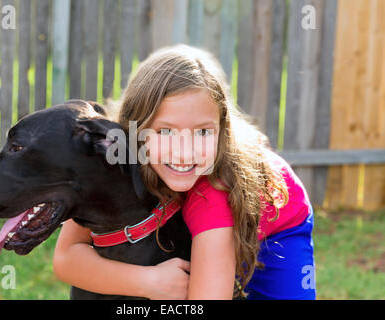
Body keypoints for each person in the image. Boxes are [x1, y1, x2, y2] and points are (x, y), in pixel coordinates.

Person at [53, 45, 316, 300]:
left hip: (277, 226)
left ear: (221, 131)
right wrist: (149, 282)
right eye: (166, 131)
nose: (184, 153)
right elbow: (66, 257)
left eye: (202, 132)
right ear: (135, 130)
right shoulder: (116, 162)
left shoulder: (213, 194)